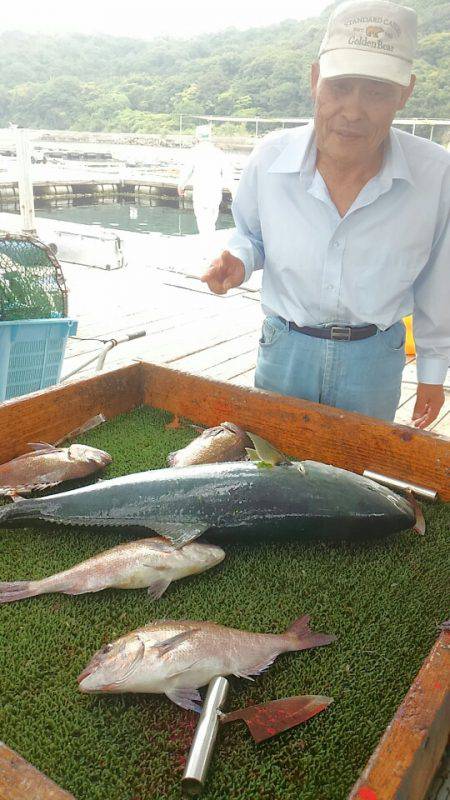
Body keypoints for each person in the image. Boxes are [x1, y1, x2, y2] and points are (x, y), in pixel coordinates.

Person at [201, 0, 450, 428]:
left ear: (404, 93)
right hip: (286, 347)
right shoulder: (269, 158)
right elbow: (251, 235)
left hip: (375, 357)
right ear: (316, 79)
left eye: (376, 91)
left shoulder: (436, 174)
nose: (353, 111)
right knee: (270, 465)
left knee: (351, 479)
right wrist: (238, 258)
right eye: (340, 86)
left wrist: (432, 372)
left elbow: (439, 280)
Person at [177, 125, 235, 256]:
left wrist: (181, 185)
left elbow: (187, 171)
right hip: (215, 191)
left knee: (202, 219)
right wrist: (233, 190)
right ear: (210, 137)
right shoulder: (219, 153)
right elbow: (227, 175)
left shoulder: (194, 152)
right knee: (212, 219)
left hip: (201, 191)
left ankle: (205, 248)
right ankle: (210, 246)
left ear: (197, 137)